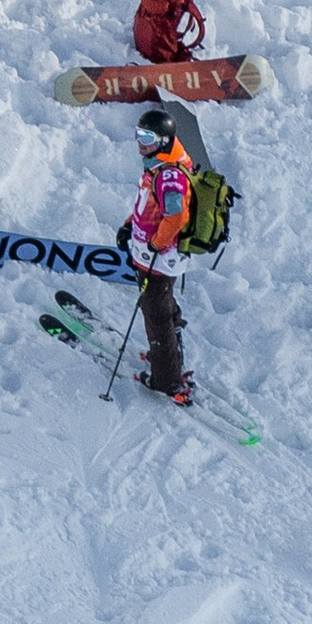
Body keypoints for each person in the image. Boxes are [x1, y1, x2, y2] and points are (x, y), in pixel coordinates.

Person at [125, 105, 193, 402]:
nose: (141, 141)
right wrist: (130, 226)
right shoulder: (157, 165)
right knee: (161, 303)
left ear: (163, 141)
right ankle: (168, 352)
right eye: (138, 134)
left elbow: (175, 216)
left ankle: (166, 379)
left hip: (158, 257)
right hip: (151, 253)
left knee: (155, 312)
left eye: (147, 136)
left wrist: (155, 243)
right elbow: (147, 205)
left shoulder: (168, 175)